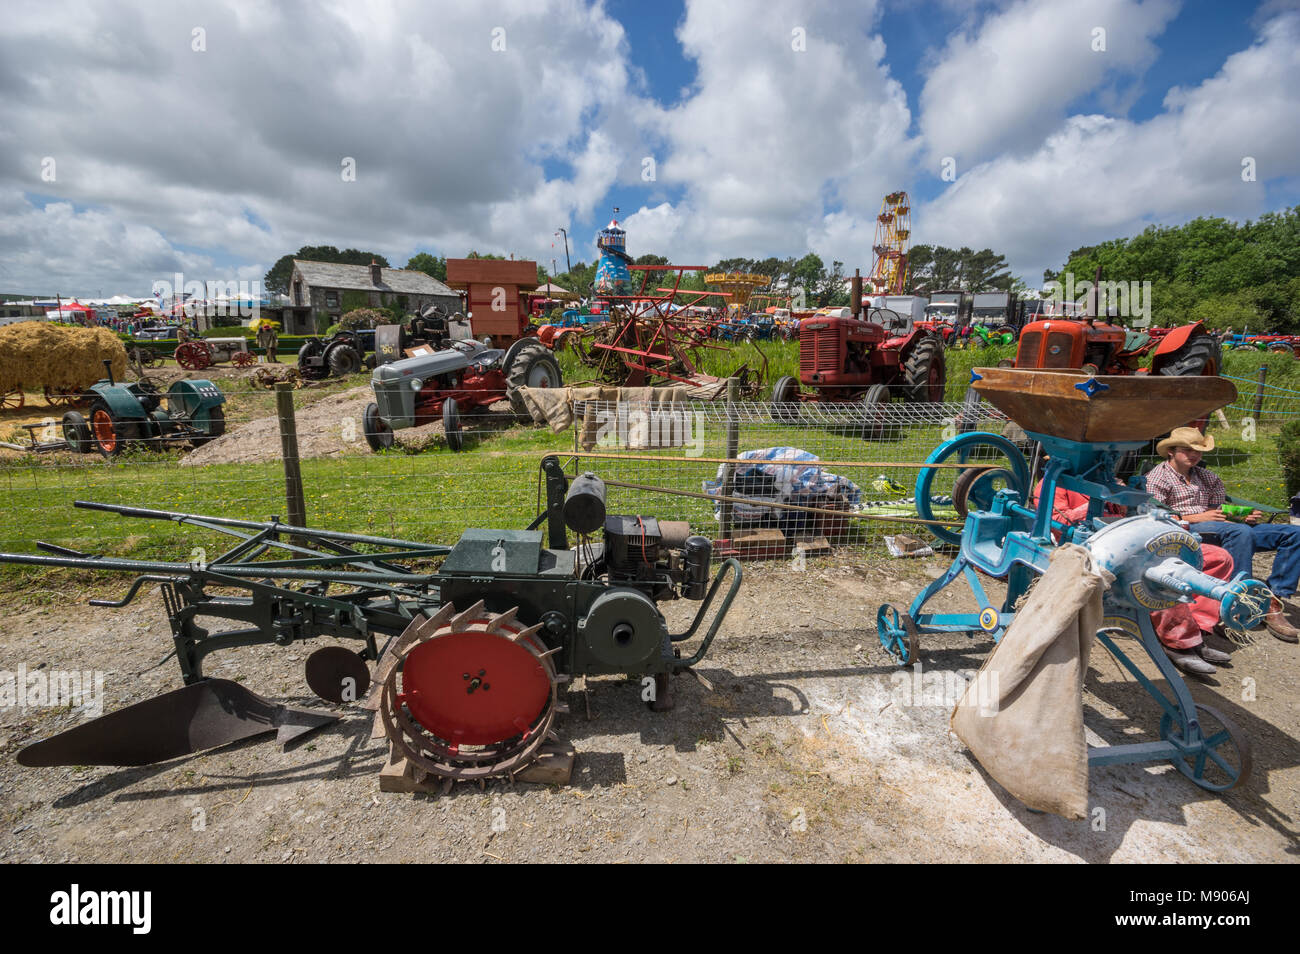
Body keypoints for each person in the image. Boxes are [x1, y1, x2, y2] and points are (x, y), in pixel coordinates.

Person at [1032, 479, 1234, 675]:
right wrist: (1099, 500)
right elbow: (1055, 521)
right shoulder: (1054, 483)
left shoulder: (1108, 480)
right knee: (1161, 578)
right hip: (1096, 548)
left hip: (1136, 540)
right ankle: (1179, 643)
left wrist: (1127, 499)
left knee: (1219, 557)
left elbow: (1137, 514)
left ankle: (1198, 628)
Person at [1144, 426, 1300, 643]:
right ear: (1171, 451)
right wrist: (1195, 518)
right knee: (1240, 532)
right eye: (1187, 450)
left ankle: (1272, 600)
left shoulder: (1209, 477)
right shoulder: (1157, 477)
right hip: (1185, 531)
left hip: (1225, 529)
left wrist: (1241, 515)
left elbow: (1221, 512)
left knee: (1294, 534)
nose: (1194, 455)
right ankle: (1240, 601)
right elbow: (1154, 518)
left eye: (1198, 451)